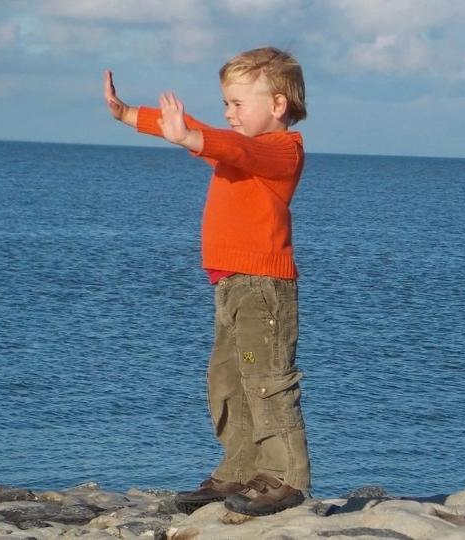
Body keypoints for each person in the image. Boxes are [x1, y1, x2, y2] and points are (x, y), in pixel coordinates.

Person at [103, 46, 311, 517]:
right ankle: (241, 467)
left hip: (263, 287)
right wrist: (127, 114)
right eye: (225, 104)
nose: (228, 113)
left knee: (266, 380)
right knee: (228, 380)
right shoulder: (237, 152)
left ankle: (286, 477)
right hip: (232, 285)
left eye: (238, 103)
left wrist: (190, 139)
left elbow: (230, 145)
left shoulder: (282, 151)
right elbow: (207, 133)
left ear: (278, 104)